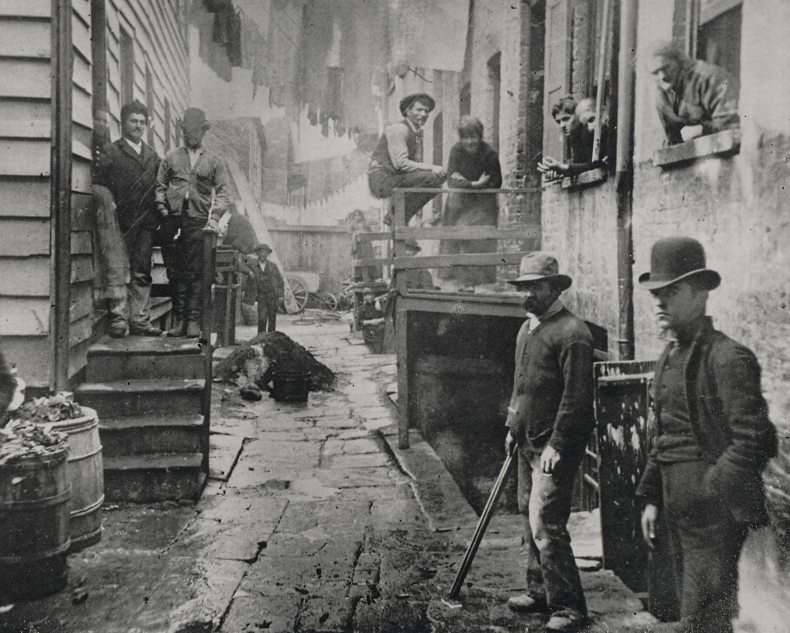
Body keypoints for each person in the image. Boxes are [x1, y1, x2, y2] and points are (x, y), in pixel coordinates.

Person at [635, 237, 777, 633]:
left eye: (672, 292)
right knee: (690, 614)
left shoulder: (728, 357)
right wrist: (650, 497)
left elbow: (755, 438)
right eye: (657, 294)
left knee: (705, 619)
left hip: (713, 517)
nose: (660, 302)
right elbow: (661, 433)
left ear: (701, 295)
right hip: (673, 508)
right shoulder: (670, 356)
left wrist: (709, 490)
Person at [503, 252, 595, 633]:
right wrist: (513, 425)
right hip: (527, 439)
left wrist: (558, 444)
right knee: (528, 513)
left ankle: (570, 608)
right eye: (522, 288)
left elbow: (576, 399)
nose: (526, 295)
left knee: (547, 523)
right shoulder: (528, 329)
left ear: (553, 288)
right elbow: (520, 386)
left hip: (554, 446)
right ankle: (539, 591)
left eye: (533, 288)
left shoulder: (573, 334)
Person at [156, 107, 231, 338]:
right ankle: (180, 321)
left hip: (198, 222)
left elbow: (224, 192)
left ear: (203, 131)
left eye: (198, 130)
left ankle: (193, 321)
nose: (193, 134)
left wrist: (215, 218)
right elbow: (160, 186)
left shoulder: (214, 161)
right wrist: (162, 208)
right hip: (173, 220)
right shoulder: (171, 157)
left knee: (197, 272)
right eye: (189, 130)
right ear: (183, 131)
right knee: (175, 271)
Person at [94, 100, 163, 338]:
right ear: (123, 123)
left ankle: (139, 320)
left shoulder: (153, 157)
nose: (138, 126)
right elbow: (99, 184)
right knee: (118, 270)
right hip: (119, 222)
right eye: (133, 121)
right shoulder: (112, 152)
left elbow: (159, 189)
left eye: (142, 122)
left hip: (145, 224)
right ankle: (119, 319)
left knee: (142, 271)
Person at [368, 93, 447, 226]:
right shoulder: (400, 129)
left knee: (437, 180)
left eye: (426, 111)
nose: (423, 114)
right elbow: (401, 164)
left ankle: (396, 216)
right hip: (381, 179)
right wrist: (432, 167)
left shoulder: (413, 131)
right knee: (433, 178)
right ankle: (396, 216)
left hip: (392, 177)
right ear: (408, 111)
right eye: (419, 110)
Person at [442, 116, 502, 290]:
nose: (469, 142)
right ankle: (456, 283)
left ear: (480, 136)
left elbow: (496, 181)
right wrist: (475, 184)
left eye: (473, 137)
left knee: (476, 241)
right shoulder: (456, 151)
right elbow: (451, 181)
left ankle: (478, 284)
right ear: (460, 138)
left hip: (482, 206)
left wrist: (465, 183)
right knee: (455, 240)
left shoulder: (489, 153)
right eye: (465, 137)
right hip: (459, 205)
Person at [647, 41, 739, 146]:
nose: (662, 76)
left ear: (679, 61)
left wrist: (702, 130)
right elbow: (673, 139)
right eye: (655, 73)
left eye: (666, 68)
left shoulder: (709, 78)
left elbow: (732, 127)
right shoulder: (662, 94)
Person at [538, 97, 607, 178]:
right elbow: (580, 165)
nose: (562, 125)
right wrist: (558, 171)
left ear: (577, 115)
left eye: (566, 119)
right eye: (558, 121)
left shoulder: (588, 131)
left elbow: (595, 164)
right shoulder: (574, 136)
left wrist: (562, 167)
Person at [246, 243, 284, 334]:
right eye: (261, 252)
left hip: (272, 295)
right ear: (257, 253)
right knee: (262, 319)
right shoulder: (252, 264)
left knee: (272, 319)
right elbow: (240, 265)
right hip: (261, 296)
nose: (263, 254)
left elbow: (280, 281)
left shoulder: (273, 266)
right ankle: (261, 339)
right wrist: (249, 272)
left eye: (265, 252)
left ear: (267, 254)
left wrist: (281, 295)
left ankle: (271, 340)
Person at [349, 209, 382, 282]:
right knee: (358, 260)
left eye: (359, 215)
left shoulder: (365, 224)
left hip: (366, 245)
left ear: (362, 216)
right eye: (356, 215)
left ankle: (371, 277)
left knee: (369, 259)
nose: (358, 217)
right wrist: (356, 233)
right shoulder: (353, 225)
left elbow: (371, 232)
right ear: (354, 217)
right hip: (358, 246)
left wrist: (365, 232)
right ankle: (358, 277)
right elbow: (349, 233)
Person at [357, 287, 385, 354]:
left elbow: (386, 317)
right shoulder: (362, 308)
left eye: (369, 295)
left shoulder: (378, 306)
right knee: (372, 346)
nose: (368, 297)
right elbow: (360, 321)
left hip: (379, 329)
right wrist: (371, 322)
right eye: (365, 295)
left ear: (373, 296)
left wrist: (378, 320)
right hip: (368, 330)